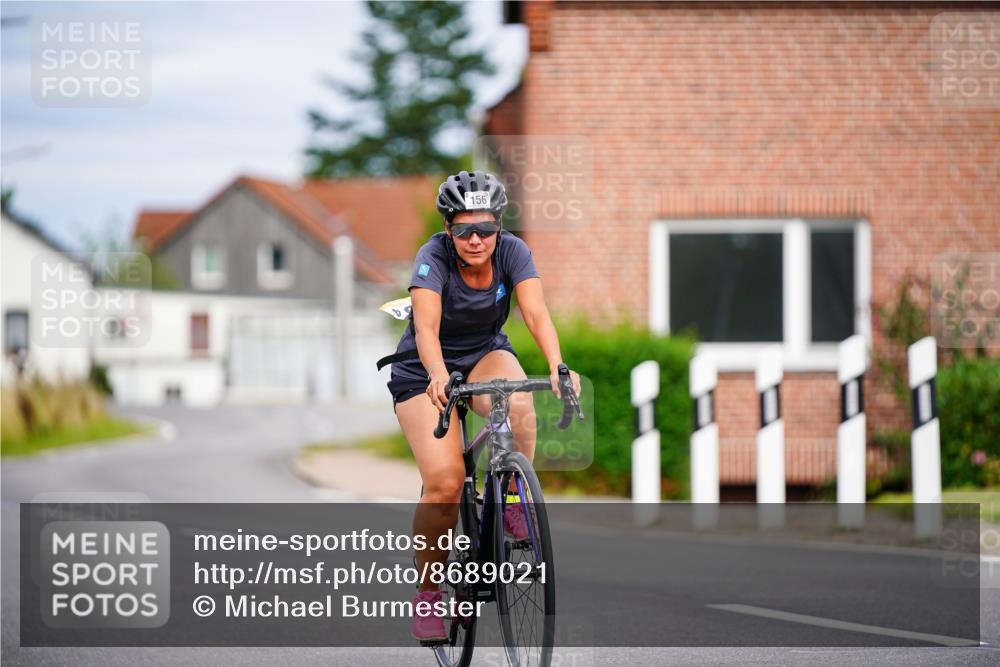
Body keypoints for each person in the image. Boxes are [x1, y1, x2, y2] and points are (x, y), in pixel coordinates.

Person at [381, 170, 580, 642]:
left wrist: (556, 364)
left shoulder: (513, 252)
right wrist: (434, 374)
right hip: (422, 368)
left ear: (499, 226)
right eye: (464, 230)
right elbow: (426, 330)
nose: (476, 240)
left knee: (520, 404)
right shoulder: (432, 259)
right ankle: (429, 592)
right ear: (448, 229)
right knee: (446, 485)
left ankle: (513, 497)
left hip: (485, 352)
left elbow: (534, 311)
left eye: (486, 229)